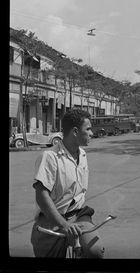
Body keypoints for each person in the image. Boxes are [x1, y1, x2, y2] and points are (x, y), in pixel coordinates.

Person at [30, 109, 105, 258]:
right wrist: (64, 225)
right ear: (75, 132)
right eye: (88, 129)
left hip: (78, 215)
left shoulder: (83, 155)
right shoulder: (50, 157)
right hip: (52, 219)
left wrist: (72, 223)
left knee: (94, 251)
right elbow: (41, 196)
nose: (92, 133)